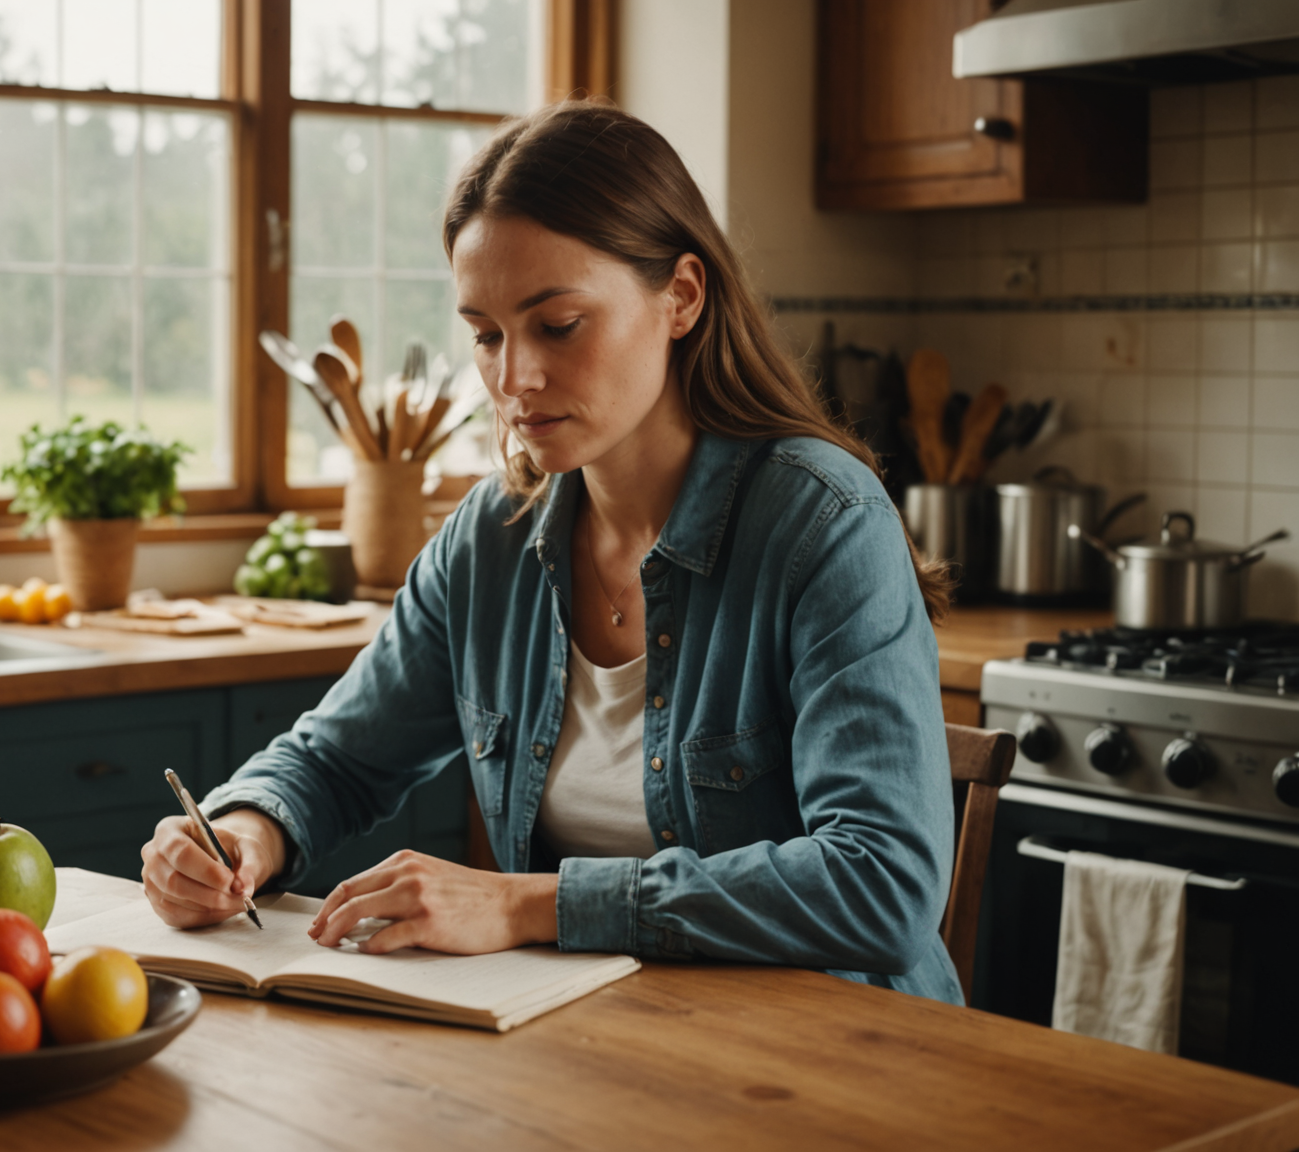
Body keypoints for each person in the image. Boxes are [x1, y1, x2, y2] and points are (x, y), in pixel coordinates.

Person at [138, 101, 963, 1004]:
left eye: (558, 324)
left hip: (841, 1050)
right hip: (597, 1039)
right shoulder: (489, 539)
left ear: (682, 296)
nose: (514, 379)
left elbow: (884, 882)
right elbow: (337, 760)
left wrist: (529, 905)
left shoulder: (824, 523)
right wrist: (240, 835)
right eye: (486, 334)